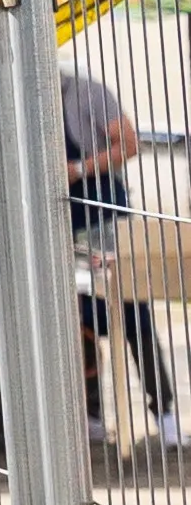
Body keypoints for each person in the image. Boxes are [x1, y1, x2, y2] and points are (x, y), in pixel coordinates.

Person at [61, 66, 180, 445]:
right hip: (66, 221)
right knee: (77, 318)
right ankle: (91, 416)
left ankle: (164, 415)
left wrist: (77, 170)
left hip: (105, 216)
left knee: (132, 313)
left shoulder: (85, 93)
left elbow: (129, 144)